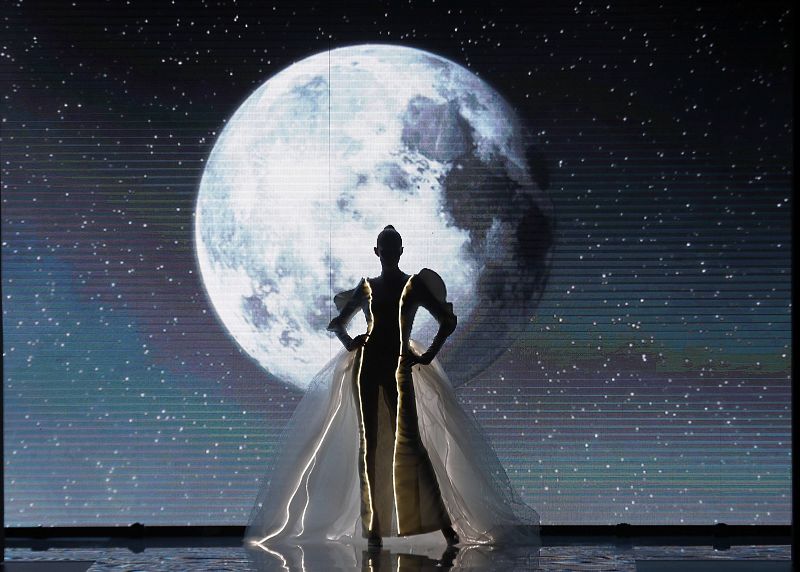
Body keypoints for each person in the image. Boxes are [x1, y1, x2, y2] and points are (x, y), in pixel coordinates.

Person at [245, 226, 539, 549]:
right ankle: (379, 529)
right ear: (382, 252)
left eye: (390, 249)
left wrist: (424, 355)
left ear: (395, 251)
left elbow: (445, 321)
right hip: (373, 367)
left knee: (403, 443)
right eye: (385, 250)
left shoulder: (406, 285)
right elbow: (340, 324)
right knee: (375, 445)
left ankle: (438, 526)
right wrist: (356, 343)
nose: (387, 254)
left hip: (393, 367)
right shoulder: (375, 287)